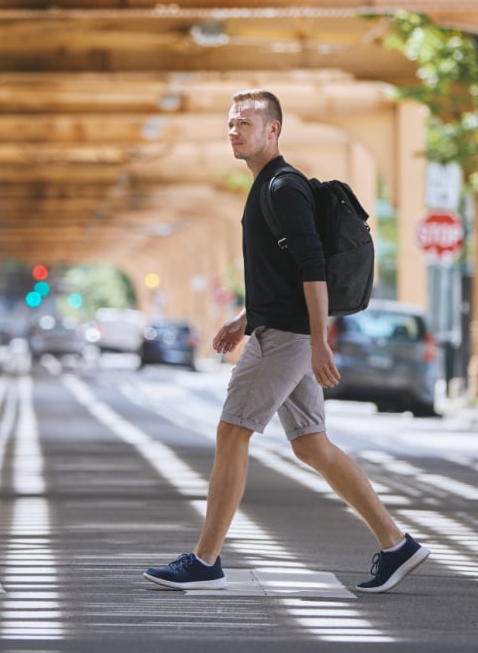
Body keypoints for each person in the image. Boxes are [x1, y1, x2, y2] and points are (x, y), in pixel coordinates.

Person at [143, 89, 429, 594]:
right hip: (279, 328)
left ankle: (206, 560)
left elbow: (312, 265)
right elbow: (282, 272)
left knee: (232, 433)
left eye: (246, 123)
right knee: (312, 445)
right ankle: (396, 544)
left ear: (273, 129)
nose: (235, 130)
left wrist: (319, 340)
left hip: (288, 338)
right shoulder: (266, 187)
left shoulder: (282, 186)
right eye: (231, 123)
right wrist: (243, 316)